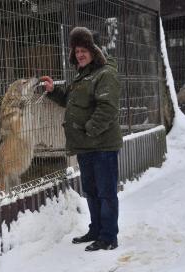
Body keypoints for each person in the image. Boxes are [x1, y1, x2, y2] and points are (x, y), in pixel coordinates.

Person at [41, 27, 122, 251]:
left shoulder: (105, 74)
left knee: (106, 192)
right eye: (77, 50)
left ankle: (108, 236)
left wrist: (89, 129)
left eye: (84, 49)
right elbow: (70, 100)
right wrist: (52, 90)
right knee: (92, 190)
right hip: (86, 146)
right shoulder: (82, 75)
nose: (79, 54)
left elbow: (107, 108)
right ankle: (96, 229)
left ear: (94, 51)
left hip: (102, 145)